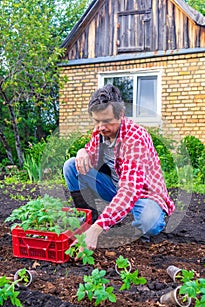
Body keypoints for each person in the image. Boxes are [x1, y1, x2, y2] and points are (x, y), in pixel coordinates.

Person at [63, 84, 175, 249]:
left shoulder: (135, 139)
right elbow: (90, 155)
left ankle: (106, 225)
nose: (101, 127)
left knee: (149, 224)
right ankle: (89, 219)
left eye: (107, 121)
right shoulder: (102, 132)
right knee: (71, 165)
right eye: (97, 121)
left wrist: (97, 230)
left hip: (143, 195)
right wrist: (82, 151)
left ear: (121, 114)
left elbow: (129, 191)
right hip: (115, 187)